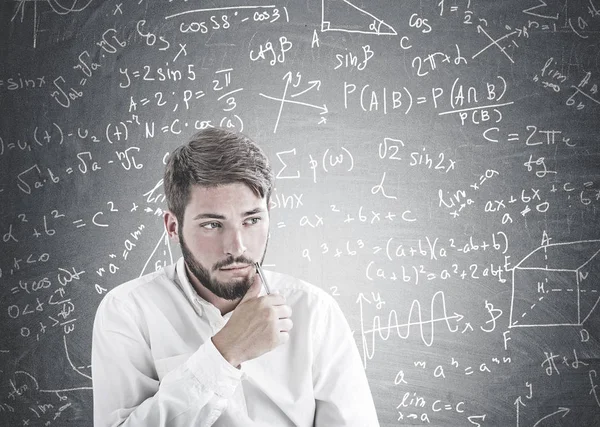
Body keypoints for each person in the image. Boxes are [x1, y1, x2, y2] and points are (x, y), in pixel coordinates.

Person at [91, 128, 379, 426]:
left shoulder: (314, 311)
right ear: (173, 227)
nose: (237, 247)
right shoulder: (127, 311)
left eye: (252, 220)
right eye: (213, 225)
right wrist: (226, 351)